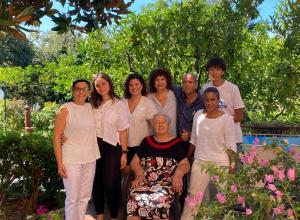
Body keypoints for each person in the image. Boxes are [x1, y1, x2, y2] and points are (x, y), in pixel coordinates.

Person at [180, 87, 237, 220]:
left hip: (221, 164)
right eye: (206, 100)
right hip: (200, 162)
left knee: (222, 200)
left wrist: (231, 167)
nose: (209, 103)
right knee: (193, 198)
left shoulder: (227, 119)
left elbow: (231, 145)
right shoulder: (198, 115)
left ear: (218, 100)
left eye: (213, 100)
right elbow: (193, 139)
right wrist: (188, 157)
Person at [127, 113, 190, 220]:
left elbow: (185, 164)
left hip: (167, 184)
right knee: (134, 199)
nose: (160, 125)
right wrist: (139, 174)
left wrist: (178, 175)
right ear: (153, 125)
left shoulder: (176, 143)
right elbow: (134, 162)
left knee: (160, 201)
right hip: (144, 182)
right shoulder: (146, 141)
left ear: (169, 125)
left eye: (163, 122)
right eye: (157, 122)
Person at [53, 79, 100, 220]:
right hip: (71, 158)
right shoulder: (65, 109)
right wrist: (59, 163)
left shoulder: (92, 108)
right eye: (77, 89)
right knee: (73, 198)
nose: (81, 92)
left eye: (84, 89)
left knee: (85, 197)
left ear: (89, 91)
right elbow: (56, 137)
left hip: (90, 158)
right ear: (72, 91)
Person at [91, 73, 130, 220]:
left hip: (112, 148)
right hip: (93, 147)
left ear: (109, 84)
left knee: (111, 183)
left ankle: (114, 216)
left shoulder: (119, 104)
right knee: (96, 182)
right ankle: (100, 216)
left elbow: (123, 130)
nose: (101, 87)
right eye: (97, 85)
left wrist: (124, 153)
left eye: (103, 84)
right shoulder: (92, 104)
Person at [201, 56, 245, 144]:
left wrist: (219, 121)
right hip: (213, 138)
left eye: (217, 69)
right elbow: (203, 111)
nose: (214, 73)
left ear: (222, 72)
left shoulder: (233, 88)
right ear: (208, 72)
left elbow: (240, 116)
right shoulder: (204, 88)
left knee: (234, 158)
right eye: (211, 69)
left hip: (233, 137)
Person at [123, 73, 157, 166]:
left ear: (142, 85)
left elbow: (155, 126)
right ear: (127, 87)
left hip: (143, 147)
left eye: (137, 84)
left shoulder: (148, 103)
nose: (134, 87)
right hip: (124, 147)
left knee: (140, 176)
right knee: (126, 176)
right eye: (131, 85)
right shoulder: (122, 102)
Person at [173, 72, 204, 151]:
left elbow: (209, 125)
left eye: (190, 82)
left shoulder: (203, 102)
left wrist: (190, 134)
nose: (187, 85)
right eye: (184, 82)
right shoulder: (177, 93)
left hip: (194, 144)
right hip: (174, 141)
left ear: (196, 85)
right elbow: (163, 83)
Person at [148, 68, 177, 136]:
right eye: (157, 80)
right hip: (155, 138)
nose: (160, 82)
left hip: (172, 138)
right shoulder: (149, 99)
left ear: (167, 82)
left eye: (162, 79)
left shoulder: (174, 94)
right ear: (153, 83)